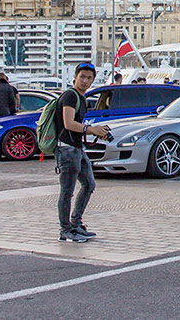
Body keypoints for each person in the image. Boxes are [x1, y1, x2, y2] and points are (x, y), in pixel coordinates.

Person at [55, 62, 110, 243]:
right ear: (75, 77)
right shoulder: (70, 96)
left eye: (89, 78)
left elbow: (77, 127)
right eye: (82, 77)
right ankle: (66, 230)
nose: (85, 81)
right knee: (67, 191)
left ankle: (76, 224)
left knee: (89, 184)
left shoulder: (81, 98)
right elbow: (68, 123)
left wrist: (96, 132)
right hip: (67, 149)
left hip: (77, 148)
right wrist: (92, 130)